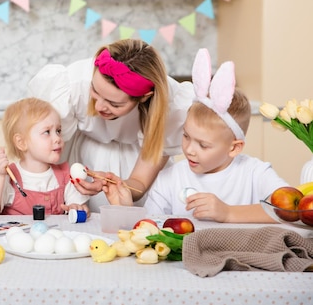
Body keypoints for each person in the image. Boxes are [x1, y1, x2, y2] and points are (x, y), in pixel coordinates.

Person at [116, 49, 289, 223]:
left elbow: (291, 211)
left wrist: (228, 213)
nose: (189, 150)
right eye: (185, 136)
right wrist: (125, 209)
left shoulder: (255, 173)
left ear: (234, 147)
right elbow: (150, 229)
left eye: (203, 145)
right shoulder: (169, 179)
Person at [27, 39, 194, 210]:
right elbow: (42, 149)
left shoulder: (170, 106)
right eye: (95, 92)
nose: (99, 107)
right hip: (80, 153)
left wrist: (116, 187)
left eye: (114, 104)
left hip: (135, 161)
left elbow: (139, 183)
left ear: (144, 97)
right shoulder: (72, 85)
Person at [0, 97, 90, 215]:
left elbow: (81, 210)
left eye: (58, 131)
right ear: (21, 142)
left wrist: (77, 208)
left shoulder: (66, 175)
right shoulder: (9, 177)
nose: (57, 138)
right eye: (47, 132)